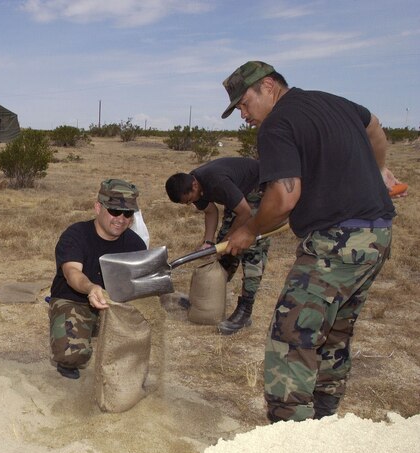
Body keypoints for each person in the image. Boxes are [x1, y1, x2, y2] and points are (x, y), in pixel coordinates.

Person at [220, 61, 395, 422]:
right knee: (335, 330)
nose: (243, 115)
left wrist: (249, 230)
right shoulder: (333, 102)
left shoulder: (277, 124)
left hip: (337, 243)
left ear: (268, 86)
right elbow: (374, 126)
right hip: (377, 235)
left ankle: (290, 436)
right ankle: (325, 422)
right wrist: (379, 171)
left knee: (291, 335)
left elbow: (284, 198)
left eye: (243, 103)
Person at [49, 179, 147, 380]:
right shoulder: (76, 235)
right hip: (74, 301)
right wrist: (92, 288)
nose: (121, 218)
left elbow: (139, 284)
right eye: (114, 211)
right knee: (72, 354)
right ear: (97, 207)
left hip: (115, 305)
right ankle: (69, 354)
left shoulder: (135, 244)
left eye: (128, 213)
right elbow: (72, 273)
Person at [165, 157, 270, 335]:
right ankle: (209, 297)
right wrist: (209, 242)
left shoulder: (215, 181)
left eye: (189, 200)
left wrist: (227, 241)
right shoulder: (192, 185)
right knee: (222, 249)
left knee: (251, 248)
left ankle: (245, 310)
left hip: (258, 189)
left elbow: (244, 212)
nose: (190, 204)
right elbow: (210, 211)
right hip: (238, 195)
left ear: (195, 186)